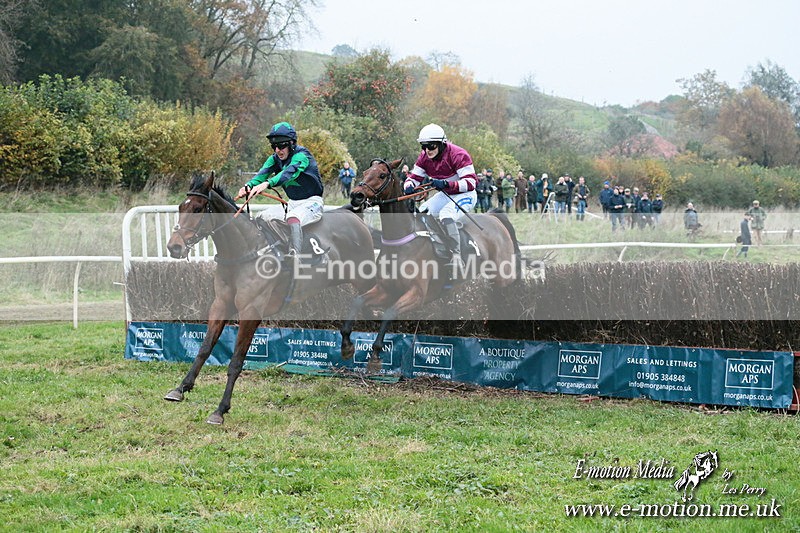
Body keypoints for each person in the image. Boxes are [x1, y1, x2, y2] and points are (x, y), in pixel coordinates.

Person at [237, 122, 323, 258]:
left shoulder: (302, 156)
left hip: (312, 203)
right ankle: (276, 248)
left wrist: (267, 184)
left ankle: (296, 256)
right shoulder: (274, 159)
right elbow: (261, 174)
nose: (277, 150)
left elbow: (289, 173)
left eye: (281, 145)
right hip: (293, 203)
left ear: (292, 144)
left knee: (293, 217)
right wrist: (248, 186)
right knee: (261, 216)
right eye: (274, 146)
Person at [403, 123, 478, 271]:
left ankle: (457, 256)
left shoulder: (458, 154)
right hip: (446, 194)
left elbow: (471, 182)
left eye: (431, 146)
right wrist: (408, 186)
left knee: (445, 214)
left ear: (441, 144)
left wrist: (446, 184)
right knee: (423, 210)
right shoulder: (424, 157)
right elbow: (413, 178)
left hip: (466, 194)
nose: (427, 151)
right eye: (423, 146)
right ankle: (435, 249)